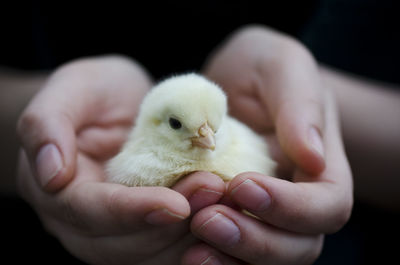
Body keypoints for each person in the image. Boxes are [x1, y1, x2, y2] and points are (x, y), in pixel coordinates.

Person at [1, 1, 399, 264]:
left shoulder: (240, 144)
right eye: (180, 125)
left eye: (213, 126)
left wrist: (313, 102)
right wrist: (37, 132)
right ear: (156, 123)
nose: (207, 138)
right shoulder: (136, 157)